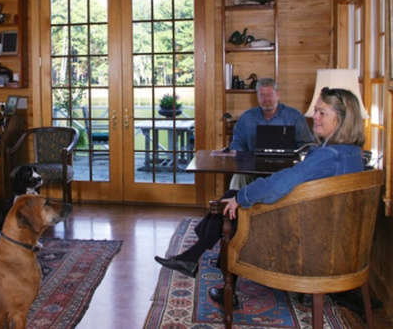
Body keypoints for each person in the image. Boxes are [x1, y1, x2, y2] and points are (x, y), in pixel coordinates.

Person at [155, 87, 365, 306]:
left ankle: (214, 277)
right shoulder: (351, 152)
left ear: (341, 119)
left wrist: (242, 198)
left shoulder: (328, 155)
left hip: (310, 242)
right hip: (329, 234)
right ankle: (193, 256)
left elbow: (280, 184)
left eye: (323, 113)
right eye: (317, 111)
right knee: (233, 199)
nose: (315, 117)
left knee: (233, 206)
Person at [228, 77, 314, 189]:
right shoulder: (246, 118)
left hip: (285, 171)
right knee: (238, 176)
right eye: (262, 95)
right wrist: (242, 157)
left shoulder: (294, 117)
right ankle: (233, 204)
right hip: (254, 170)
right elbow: (237, 143)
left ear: (278, 95)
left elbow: (307, 145)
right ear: (257, 97)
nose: (266, 99)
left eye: (270, 94)